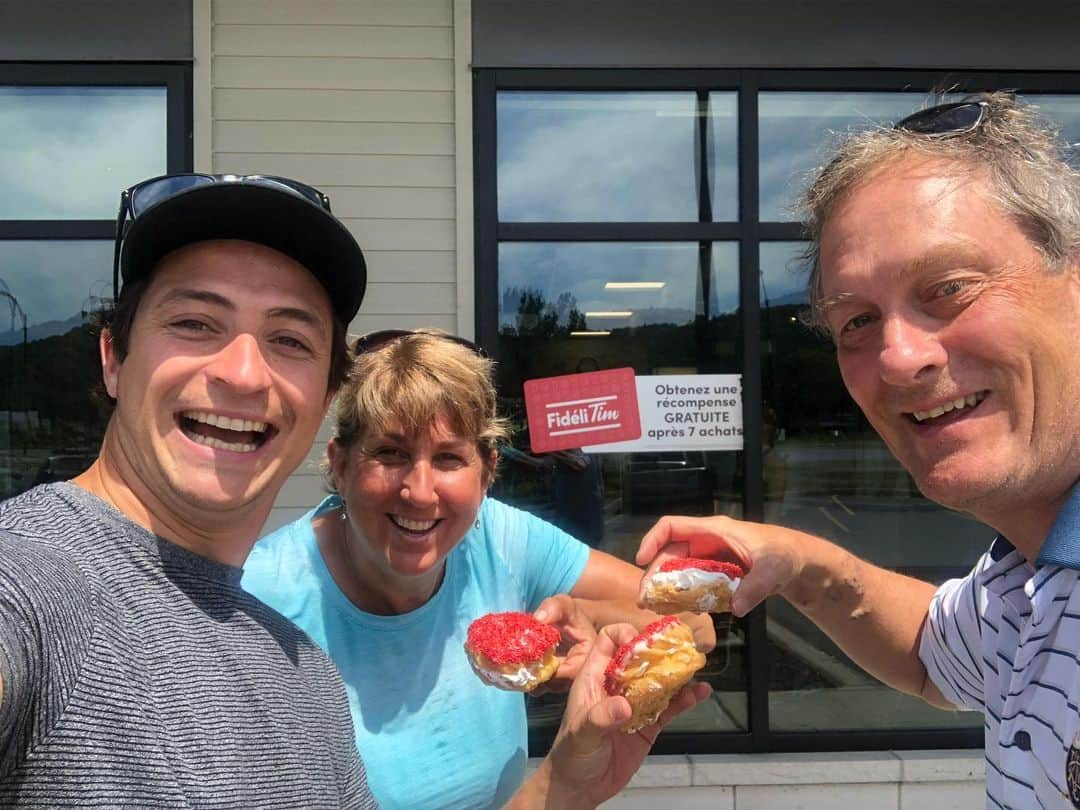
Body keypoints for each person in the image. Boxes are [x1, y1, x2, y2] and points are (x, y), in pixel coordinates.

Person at [636, 92, 1080, 807]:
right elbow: (935, 659)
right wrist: (795, 562)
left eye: (950, 288)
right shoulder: (1024, 580)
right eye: (857, 321)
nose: (898, 357)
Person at [0, 173, 378, 806]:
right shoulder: (35, 578)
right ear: (114, 359)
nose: (242, 373)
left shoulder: (310, 679)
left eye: (289, 339)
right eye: (196, 322)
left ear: (325, 401)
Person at [242, 329, 715, 809]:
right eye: (390, 453)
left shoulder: (497, 537)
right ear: (339, 464)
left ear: (487, 473)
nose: (420, 492)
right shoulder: (255, 600)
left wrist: (591, 619)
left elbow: (696, 625)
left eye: (449, 458)